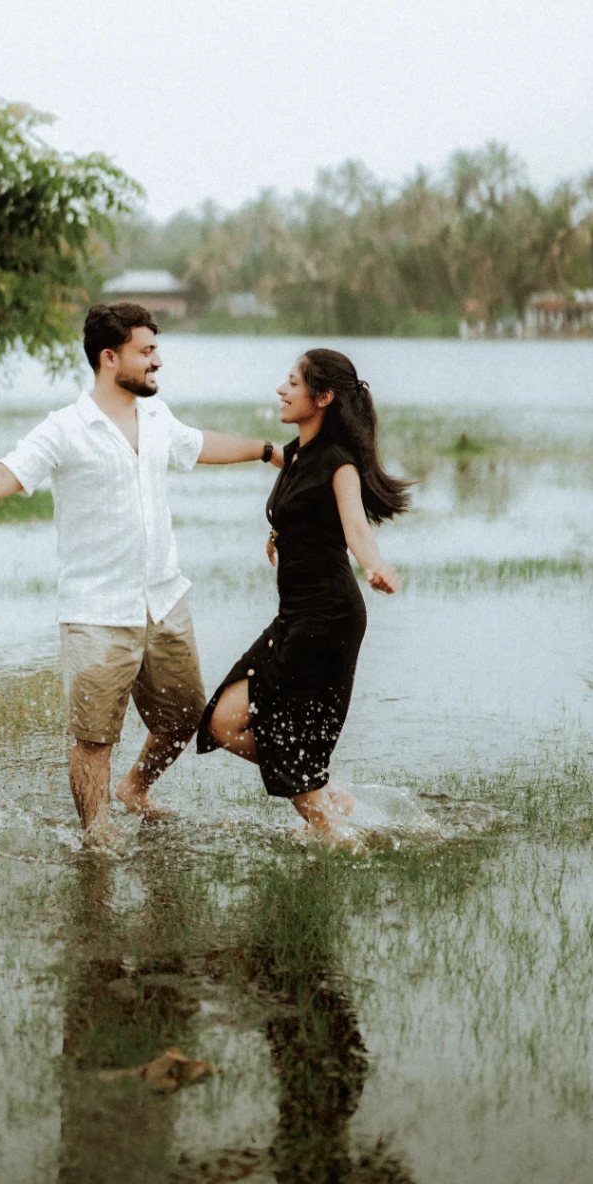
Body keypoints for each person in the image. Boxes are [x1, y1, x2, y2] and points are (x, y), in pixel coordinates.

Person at [0, 302, 282, 835]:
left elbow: (199, 445)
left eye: (156, 350)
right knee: (94, 738)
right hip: (96, 612)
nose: (157, 362)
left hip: (164, 601)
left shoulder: (155, 415)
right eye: (146, 351)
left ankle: (135, 788)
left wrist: (268, 451)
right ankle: (98, 837)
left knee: (183, 721)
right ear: (110, 357)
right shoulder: (64, 428)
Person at [197, 348, 410, 835]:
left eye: (293, 382)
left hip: (327, 619)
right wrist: (280, 535)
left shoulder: (340, 465)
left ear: (323, 397)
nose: (281, 389)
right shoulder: (294, 456)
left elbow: (356, 531)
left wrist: (377, 567)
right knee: (222, 722)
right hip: (294, 617)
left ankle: (334, 832)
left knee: (287, 743)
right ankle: (322, 794)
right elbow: (299, 505)